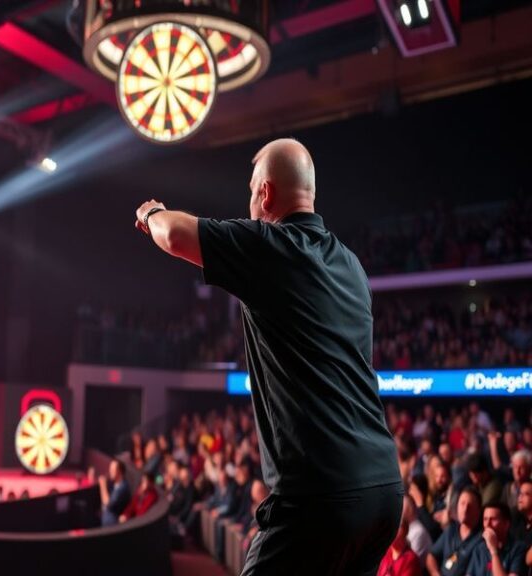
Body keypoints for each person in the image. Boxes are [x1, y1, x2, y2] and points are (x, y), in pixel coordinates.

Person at [135, 138, 402, 574]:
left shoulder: (270, 247)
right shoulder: (352, 265)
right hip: (383, 493)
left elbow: (175, 234)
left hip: (320, 496)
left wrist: (151, 212)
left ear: (265, 193)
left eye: (251, 189)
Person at [425, 486, 482, 576]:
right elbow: (431, 556)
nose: (465, 509)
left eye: (470, 506)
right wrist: (435, 573)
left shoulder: (480, 540)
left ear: (478, 511)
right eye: (462, 504)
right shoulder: (451, 530)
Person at [465, 503, 526, 576]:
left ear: (506, 524)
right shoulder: (479, 549)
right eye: (485, 519)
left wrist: (493, 550)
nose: (487, 524)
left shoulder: (518, 549)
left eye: (493, 519)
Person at [98, 458, 132, 526]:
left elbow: (108, 503)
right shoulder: (115, 484)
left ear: (120, 472)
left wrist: (103, 486)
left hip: (112, 524)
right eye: (110, 469)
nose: (110, 472)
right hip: (105, 518)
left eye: (112, 470)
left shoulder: (123, 487)